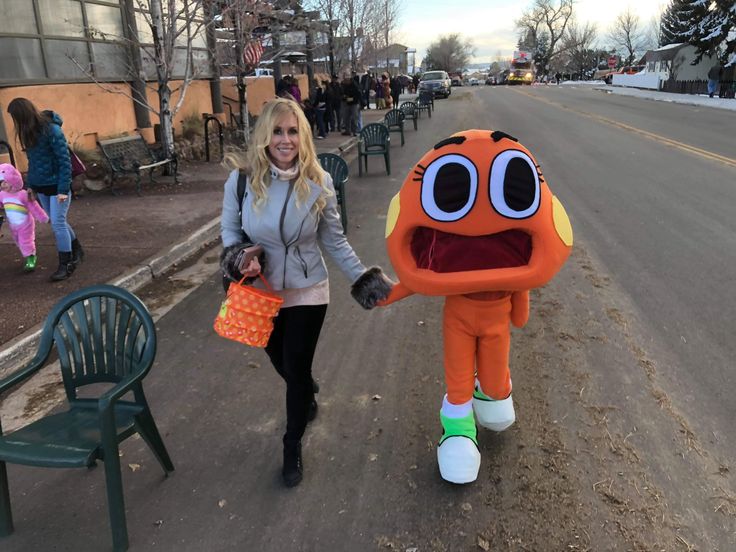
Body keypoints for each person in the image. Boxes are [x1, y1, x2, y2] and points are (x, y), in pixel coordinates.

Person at [219, 98, 392, 487]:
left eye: (293, 131)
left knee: (295, 369)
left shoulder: (318, 181)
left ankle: (291, 443)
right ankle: (306, 391)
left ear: (303, 136)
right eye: (278, 131)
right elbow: (230, 232)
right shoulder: (243, 180)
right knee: (282, 362)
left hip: (308, 290)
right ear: (265, 134)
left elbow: (335, 240)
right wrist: (240, 256)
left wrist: (366, 280)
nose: (285, 139)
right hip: (261, 292)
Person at [7, 98, 84, 281]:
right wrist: (30, 186)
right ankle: (77, 250)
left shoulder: (52, 130)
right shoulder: (29, 132)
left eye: (16, 117)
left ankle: (66, 264)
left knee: (58, 223)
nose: (15, 123)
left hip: (58, 187)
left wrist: (64, 189)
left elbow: (64, 162)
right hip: (42, 187)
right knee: (57, 222)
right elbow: (33, 163)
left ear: (23, 115)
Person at [0, 163, 49, 272]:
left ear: (13, 180)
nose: (3, 185)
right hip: (13, 225)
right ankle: (28, 255)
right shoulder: (2, 194)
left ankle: (31, 258)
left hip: (25, 224)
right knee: (18, 241)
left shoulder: (22, 194)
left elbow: (34, 206)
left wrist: (43, 217)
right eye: (1, 183)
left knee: (25, 241)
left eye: (5, 182)